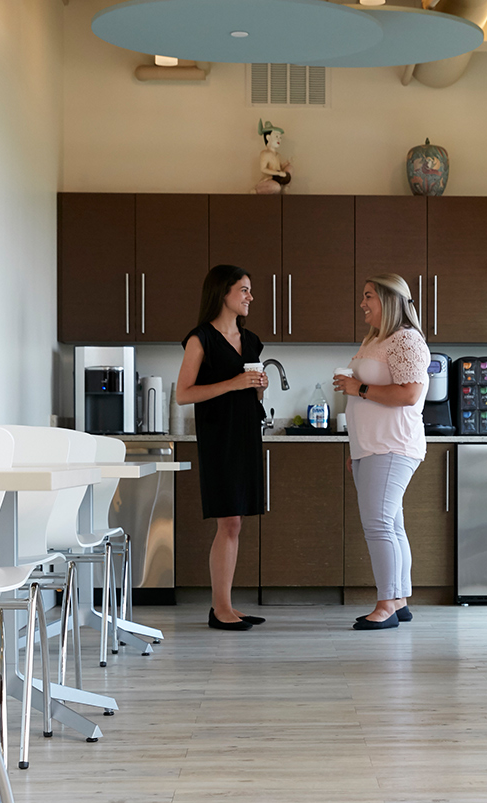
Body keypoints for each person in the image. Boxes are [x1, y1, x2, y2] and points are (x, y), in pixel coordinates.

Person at [333, 275, 430, 631]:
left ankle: (386, 604)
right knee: (391, 524)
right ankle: (399, 599)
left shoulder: (406, 340)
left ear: (390, 301)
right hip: (370, 447)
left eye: (368, 296)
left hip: (392, 445)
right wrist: (356, 448)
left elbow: (408, 394)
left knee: (378, 526)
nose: (362, 303)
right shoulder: (375, 339)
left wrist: (357, 386)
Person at [176, 265, 268, 631]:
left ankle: (226, 605)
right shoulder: (200, 339)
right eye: (244, 290)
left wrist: (258, 385)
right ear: (223, 293)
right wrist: (234, 382)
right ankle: (220, 609)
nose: (250, 297)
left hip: (246, 434)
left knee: (236, 522)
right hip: (218, 436)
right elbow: (184, 394)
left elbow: (252, 391)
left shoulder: (252, 340)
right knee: (228, 521)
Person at [253, 120, 293, 195]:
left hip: (278, 179)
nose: (279, 139)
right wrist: (278, 173)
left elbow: (279, 167)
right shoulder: (265, 153)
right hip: (269, 179)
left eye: (280, 137)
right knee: (275, 187)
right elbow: (263, 169)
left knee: (290, 168)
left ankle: (285, 188)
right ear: (268, 137)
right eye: (276, 136)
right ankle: (257, 190)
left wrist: (286, 163)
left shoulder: (278, 155)